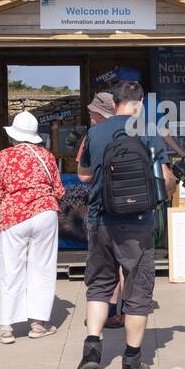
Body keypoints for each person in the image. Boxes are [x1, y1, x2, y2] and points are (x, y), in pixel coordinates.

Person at [76, 79, 177, 369]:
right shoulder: (148, 131)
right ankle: (131, 364)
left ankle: (92, 349)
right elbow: (166, 177)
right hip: (138, 223)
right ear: (140, 103)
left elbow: (83, 173)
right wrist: (166, 192)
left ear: (115, 102)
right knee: (137, 290)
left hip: (100, 221)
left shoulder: (95, 132)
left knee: (99, 285)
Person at [0, 110, 65, 344]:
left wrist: (10, 206)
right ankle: (38, 324)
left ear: (13, 135)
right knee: (42, 268)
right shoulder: (46, 156)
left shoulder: (4, 156)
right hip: (45, 212)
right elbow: (59, 190)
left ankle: (7, 327)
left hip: (14, 215)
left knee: (11, 268)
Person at [77, 91, 125, 329]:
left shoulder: (92, 136)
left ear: (100, 114)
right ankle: (121, 310)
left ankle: (103, 312)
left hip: (101, 209)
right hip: (131, 210)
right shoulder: (133, 132)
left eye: (92, 113)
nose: (90, 117)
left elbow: (83, 175)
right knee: (125, 264)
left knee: (102, 268)